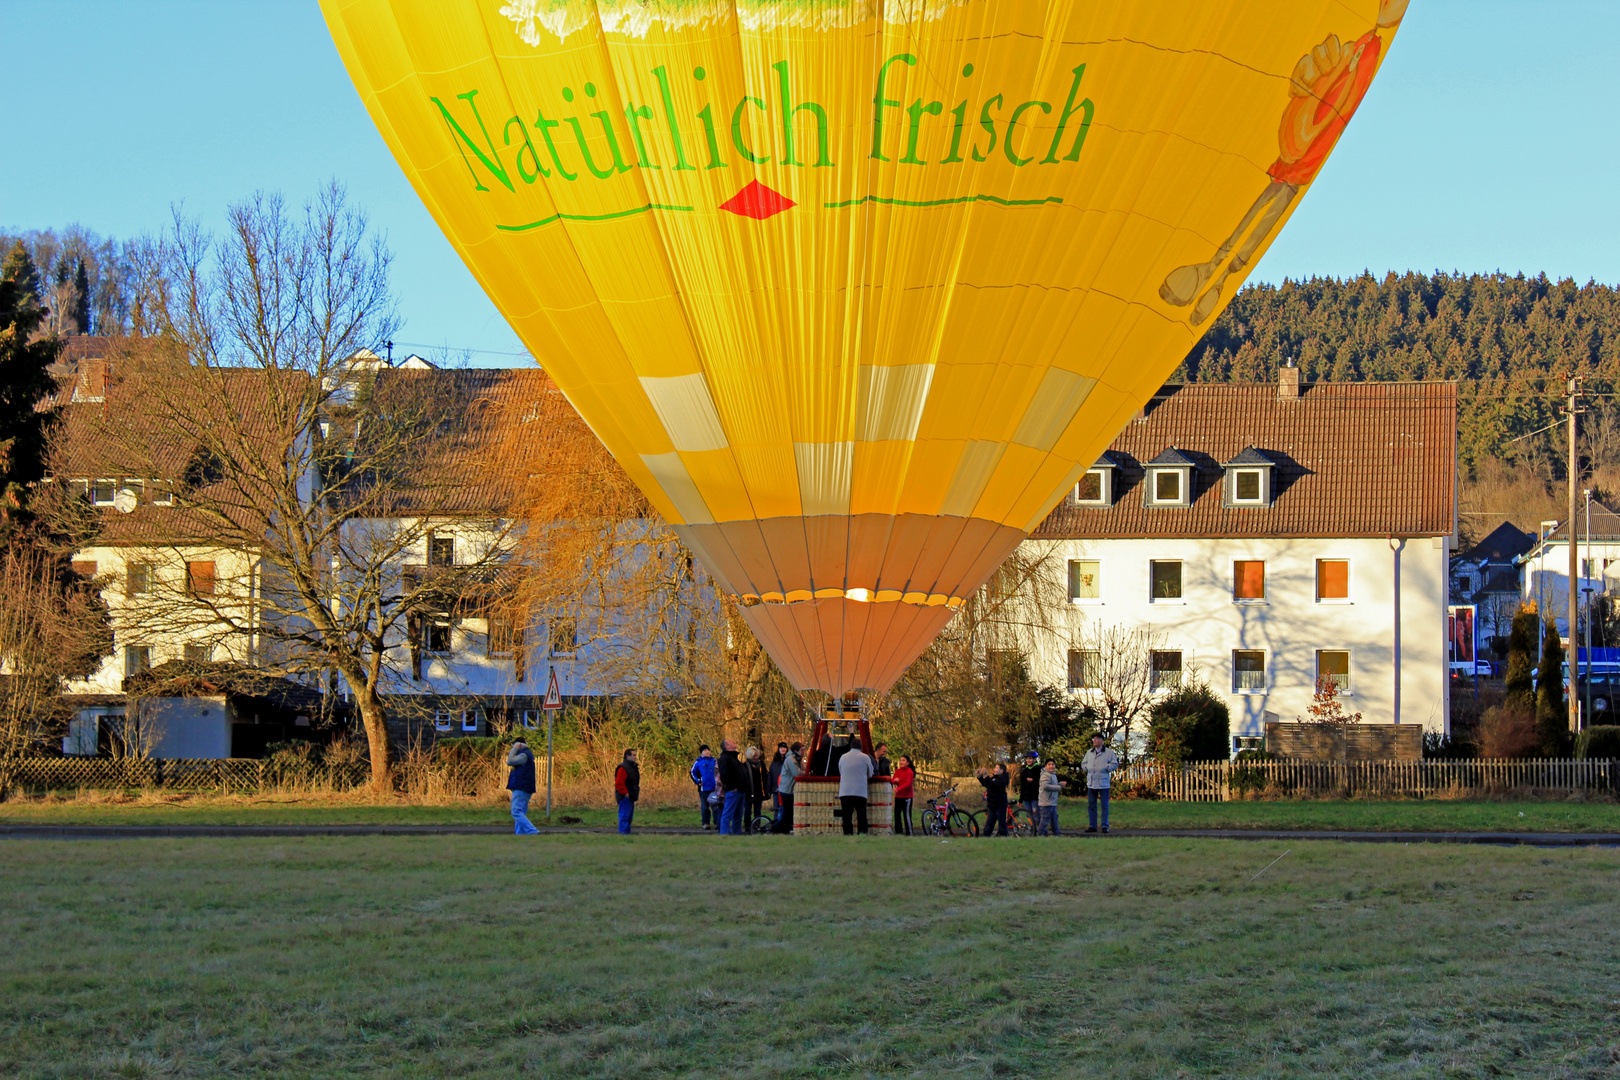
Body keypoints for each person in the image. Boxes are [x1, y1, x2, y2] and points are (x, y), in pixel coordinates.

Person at [1082, 734, 1121, 833]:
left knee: (1104, 805)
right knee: (1091, 805)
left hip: (1103, 782)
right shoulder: (1089, 753)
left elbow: (1115, 764)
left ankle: (1104, 825)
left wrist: (1107, 768)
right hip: (1091, 782)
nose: (1095, 741)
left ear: (1102, 741)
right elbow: (1083, 763)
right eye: (1093, 739)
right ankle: (1092, 826)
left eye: (1097, 739)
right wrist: (1086, 768)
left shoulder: (1108, 753)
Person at [837, 738, 874, 835]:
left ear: (850, 746)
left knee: (847, 816)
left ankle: (848, 834)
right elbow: (870, 774)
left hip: (845, 791)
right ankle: (862, 834)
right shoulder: (865, 757)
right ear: (861, 747)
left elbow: (840, 771)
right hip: (860, 790)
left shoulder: (843, 757)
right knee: (861, 815)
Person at [506, 737, 539, 835]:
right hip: (525, 788)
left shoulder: (523, 755)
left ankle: (532, 831)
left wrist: (514, 749)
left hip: (521, 787)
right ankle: (520, 834)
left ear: (519, 744)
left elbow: (510, 761)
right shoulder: (527, 755)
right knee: (521, 812)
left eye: (514, 744)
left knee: (516, 812)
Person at [717, 739, 749, 835]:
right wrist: (732, 787)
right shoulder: (724, 758)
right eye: (732, 742)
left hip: (741, 789)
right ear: (727, 746)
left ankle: (737, 834)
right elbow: (724, 775)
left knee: (738, 815)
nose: (734, 742)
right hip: (733, 790)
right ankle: (724, 834)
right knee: (727, 814)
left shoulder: (736, 757)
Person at [977, 762, 1010, 836]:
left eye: (996, 768)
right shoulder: (994, 778)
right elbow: (988, 784)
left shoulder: (1002, 779)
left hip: (1000, 804)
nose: (994, 769)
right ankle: (986, 837)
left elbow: (994, 784)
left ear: (1002, 771)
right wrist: (980, 777)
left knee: (1001, 823)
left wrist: (986, 775)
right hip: (992, 804)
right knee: (989, 823)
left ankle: (1005, 836)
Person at [689, 745, 717, 830]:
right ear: (701, 752)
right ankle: (706, 823)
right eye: (705, 750)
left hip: (714, 788)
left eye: (708, 750)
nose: (707, 752)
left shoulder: (714, 761)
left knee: (715, 806)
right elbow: (692, 772)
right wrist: (698, 781)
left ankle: (717, 823)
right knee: (705, 807)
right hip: (703, 789)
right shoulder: (698, 762)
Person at [776, 742, 802, 833]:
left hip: (790, 789)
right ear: (796, 750)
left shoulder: (797, 759)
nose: (803, 752)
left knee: (789, 812)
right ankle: (775, 830)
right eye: (801, 750)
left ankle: (785, 830)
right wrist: (805, 772)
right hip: (786, 790)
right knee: (787, 812)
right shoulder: (791, 760)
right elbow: (797, 773)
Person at [614, 748, 640, 834]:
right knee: (624, 817)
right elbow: (619, 783)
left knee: (629, 818)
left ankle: (627, 835)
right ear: (628, 756)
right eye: (634, 755)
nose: (635, 757)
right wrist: (625, 793)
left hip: (631, 796)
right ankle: (623, 835)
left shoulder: (632, 767)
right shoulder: (623, 768)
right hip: (625, 797)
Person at [744, 745, 767, 833]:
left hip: (758, 792)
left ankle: (756, 827)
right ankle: (747, 827)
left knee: (758, 811)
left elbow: (765, 777)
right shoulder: (744, 765)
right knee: (747, 811)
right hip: (748, 792)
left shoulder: (761, 765)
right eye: (754, 754)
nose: (756, 756)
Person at [892, 754, 916, 836]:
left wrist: (898, 788)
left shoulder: (909, 772)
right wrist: (895, 780)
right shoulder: (898, 771)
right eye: (900, 760)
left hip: (907, 796)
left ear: (907, 763)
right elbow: (893, 780)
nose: (901, 762)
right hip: (898, 796)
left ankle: (909, 832)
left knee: (907, 815)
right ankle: (898, 832)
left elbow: (908, 784)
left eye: (903, 760)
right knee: (897, 814)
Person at [1037, 759, 1062, 836]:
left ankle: (1057, 834)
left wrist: (1060, 784)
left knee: (1054, 819)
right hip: (1046, 802)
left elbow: (1053, 785)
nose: (1051, 766)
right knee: (1045, 820)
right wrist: (1058, 787)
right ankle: (1040, 834)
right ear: (1045, 766)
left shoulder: (1053, 775)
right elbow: (1045, 786)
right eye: (1049, 764)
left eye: (1053, 764)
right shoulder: (1045, 775)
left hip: (1052, 802)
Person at [1017, 751, 1042, 822]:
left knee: (1036, 814)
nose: (1028, 760)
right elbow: (1023, 786)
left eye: (1030, 758)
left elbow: (1042, 782)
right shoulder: (1025, 770)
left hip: (1035, 797)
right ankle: (1032, 830)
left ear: (1034, 759)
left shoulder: (1038, 769)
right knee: (1028, 815)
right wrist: (1021, 799)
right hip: (1026, 797)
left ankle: (1039, 830)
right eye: (1027, 759)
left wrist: (1034, 781)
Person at [768, 742, 788, 817]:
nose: (783, 749)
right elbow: (770, 775)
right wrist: (769, 789)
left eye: (784, 748)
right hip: (776, 789)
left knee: (784, 809)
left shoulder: (788, 761)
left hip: (786, 789)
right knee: (777, 809)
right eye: (781, 748)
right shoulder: (774, 762)